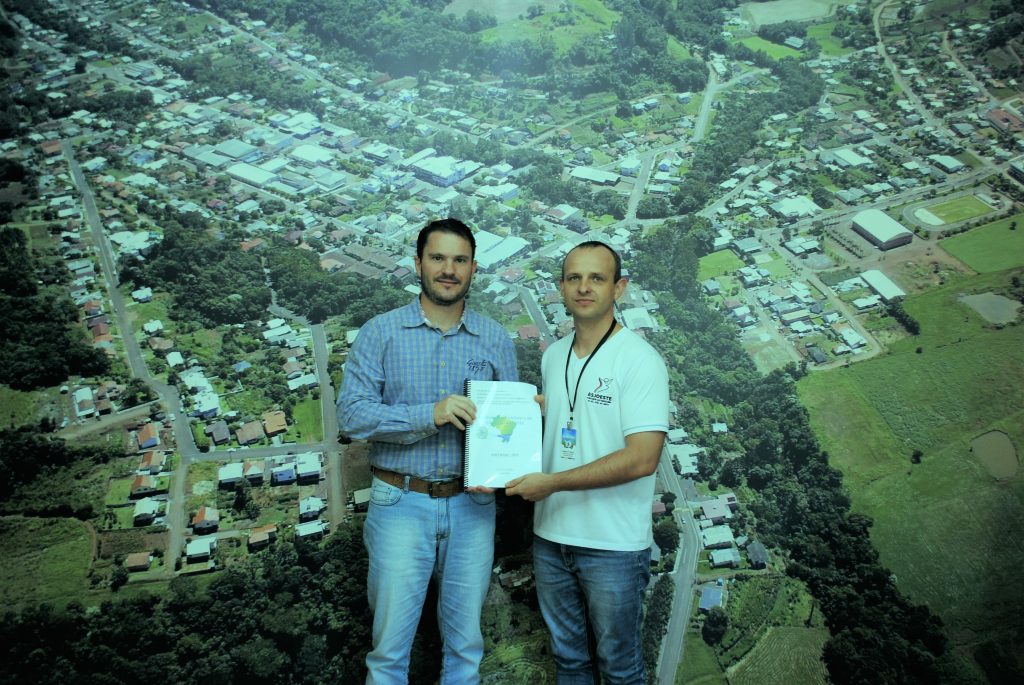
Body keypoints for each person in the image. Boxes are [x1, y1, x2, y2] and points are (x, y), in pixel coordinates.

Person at [337, 218, 518, 685]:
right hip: (400, 503)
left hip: (473, 506)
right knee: (389, 655)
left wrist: (524, 420)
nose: (448, 270)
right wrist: (429, 414)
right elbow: (352, 416)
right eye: (438, 258)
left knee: (465, 653)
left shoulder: (495, 338)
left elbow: (505, 428)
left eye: (459, 260)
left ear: (473, 269)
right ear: (418, 263)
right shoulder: (380, 333)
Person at [506, 241, 669, 685]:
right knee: (570, 663)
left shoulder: (640, 361)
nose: (584, 287)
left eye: (597, 278)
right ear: (560, 287)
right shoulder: (553, 355)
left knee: (620, 668)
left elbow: (642, 459)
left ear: (619, 288)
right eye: (574, 278)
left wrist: (553, 483)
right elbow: (566, 421)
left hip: (612, 546)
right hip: (551, 538)